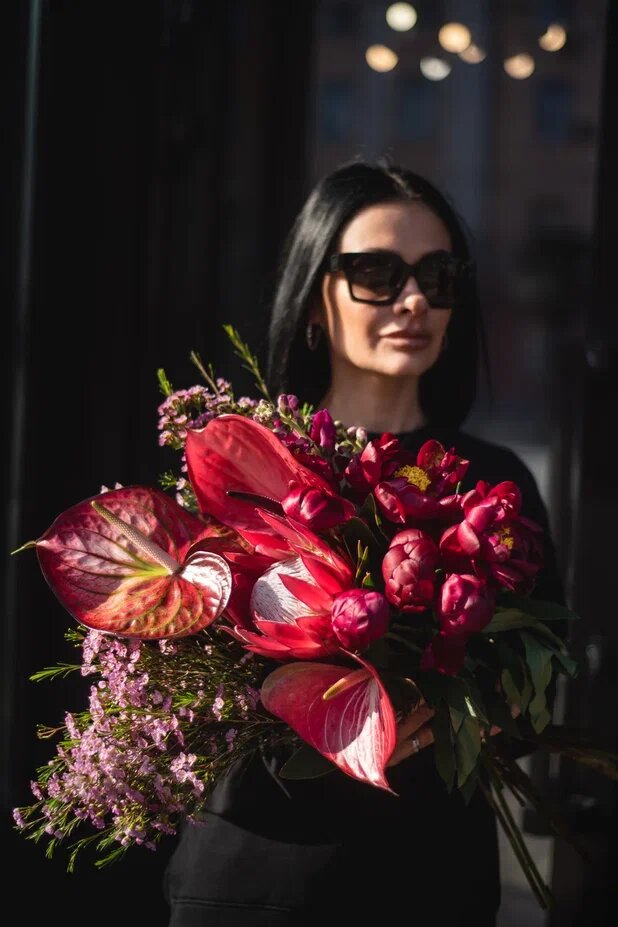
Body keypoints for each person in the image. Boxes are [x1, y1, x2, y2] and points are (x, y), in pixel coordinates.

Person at [162, 160, 565, 925]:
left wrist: (463, 712)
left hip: (428, 877)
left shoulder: (495, 483)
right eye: (377, 272)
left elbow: (540, 689)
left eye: (438, 275)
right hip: (254, 872)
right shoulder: (245, 460)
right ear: (318, 297)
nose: (413, 299)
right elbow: (176, 676)